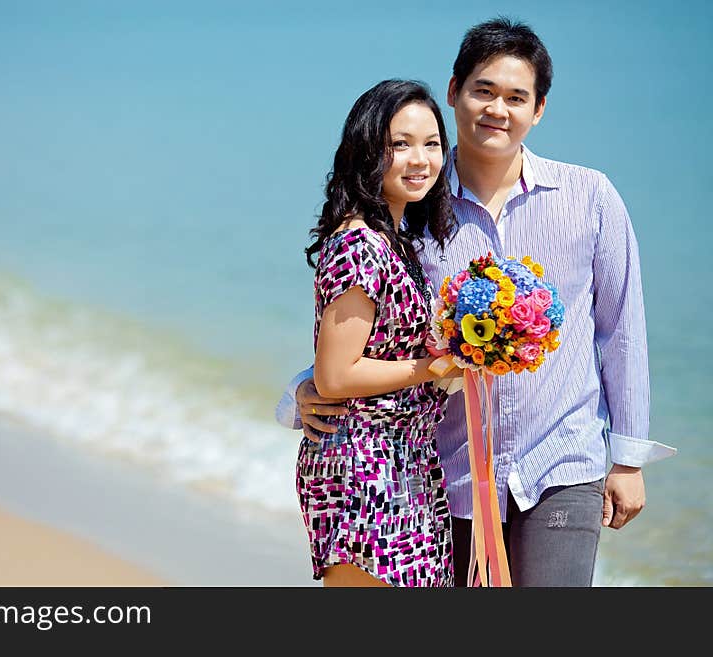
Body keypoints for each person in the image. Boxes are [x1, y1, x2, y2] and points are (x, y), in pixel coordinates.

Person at [278, 18, 676, 587]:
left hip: (562, 462)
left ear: (538, 110)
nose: (498, 109)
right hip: (445, 475)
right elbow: (375, 327)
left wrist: (629, 459)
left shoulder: (591, 197)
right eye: (483, 91)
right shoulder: (412, 210)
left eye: (517, 97)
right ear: (454, 91)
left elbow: (621, 328)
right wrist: (303, 389)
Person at [297, 79, 457, 587]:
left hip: (404, 457)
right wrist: (431, 369)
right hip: (362, 462)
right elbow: (336, 375)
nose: (420, 160)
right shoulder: (359, 242)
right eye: (400, 144)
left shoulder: (396, 239)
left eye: (431, 144)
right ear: (369, 151)